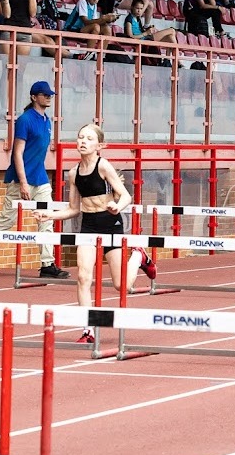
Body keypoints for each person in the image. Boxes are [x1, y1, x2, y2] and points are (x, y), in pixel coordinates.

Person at [33, 123, 156, 342]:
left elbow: (125, 195)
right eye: (80, 137)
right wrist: (49, 215)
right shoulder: (73, 173)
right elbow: (73, 208)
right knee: (83, 276)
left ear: (99, 145)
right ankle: (87, 329)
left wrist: (117, 207)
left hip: (110, 223)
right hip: (88, 226)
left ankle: (138, 255)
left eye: (89, 139)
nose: (83, 141)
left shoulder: (104, 166)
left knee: (122, 285)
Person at [0, 80, 69, 279]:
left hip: (40, 179)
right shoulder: (25, 120)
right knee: (6, 221)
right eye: (44, 94)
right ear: (34, 97)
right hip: (21, 179)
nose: (48, 97)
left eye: (49, 94)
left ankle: (47, 264)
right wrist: (23, 182)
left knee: (47, 220)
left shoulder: (47, 121)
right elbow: (18, 152)